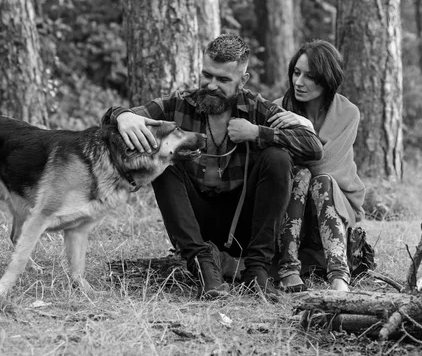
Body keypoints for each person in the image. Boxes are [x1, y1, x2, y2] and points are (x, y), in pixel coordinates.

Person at [101, 34, 323, 299]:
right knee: (167, 157)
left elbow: (313, 147)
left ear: (243, 80)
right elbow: (115, 119)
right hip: (196, 222)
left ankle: (257, 270)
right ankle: (203, 265)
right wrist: (122, 115)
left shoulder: (255, 108)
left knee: (278, 157)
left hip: (244, 223)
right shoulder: (178, 104)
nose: (211, 85)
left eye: (223, 80)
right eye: (207, 75)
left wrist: (258, 133)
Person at [269, 39, 366, 292]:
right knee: (299, 174)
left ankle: (339, 276)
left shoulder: (348, 113)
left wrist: (305, 129)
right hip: (291, 207)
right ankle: (288, 268)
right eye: (296, 73)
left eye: (310, 76)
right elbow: (278, 167)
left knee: (320, 180)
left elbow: (325, 164)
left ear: (327, 79)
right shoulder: (278, 110)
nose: (299, 82)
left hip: (336, 205)